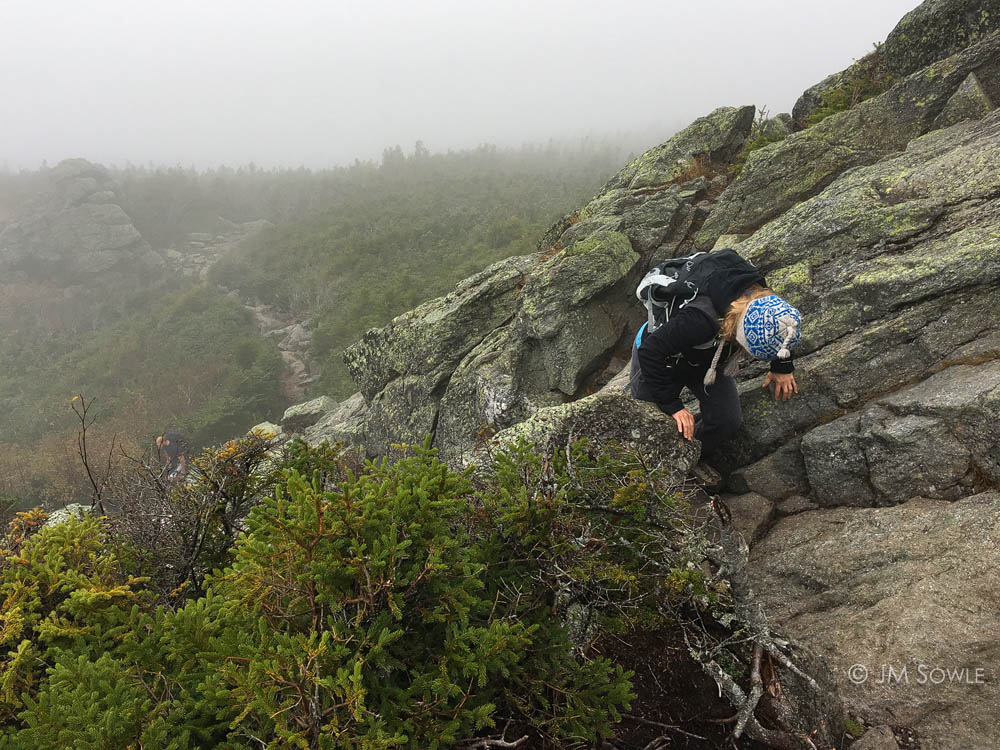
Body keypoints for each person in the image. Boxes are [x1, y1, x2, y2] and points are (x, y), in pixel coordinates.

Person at [629, 250, 801, 472]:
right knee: (647, 424)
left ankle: (685, 459)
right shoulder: (699, 320)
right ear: (740, 334)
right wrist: (674, 406)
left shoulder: (764, 301)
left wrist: (782, 366)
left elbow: (783, 330)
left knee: (727, 419)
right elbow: (652, 352)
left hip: (707, 361)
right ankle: (651, 472)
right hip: (662, 358)